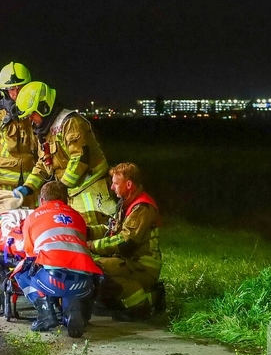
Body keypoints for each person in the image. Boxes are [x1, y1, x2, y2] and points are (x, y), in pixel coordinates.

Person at [12, 81, 114, 233]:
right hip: (72, 192)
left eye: (32, 113)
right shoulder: (45, 130)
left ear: (44, 107)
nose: (30, 119)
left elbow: (80, 159)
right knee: (76, 234)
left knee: (94, 235)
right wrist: (28, 187)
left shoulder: (70, 123)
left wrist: (61, 187)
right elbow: (43, 163)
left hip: (91, 191)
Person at [12, 181, 103, 338]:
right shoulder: (78, 216)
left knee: (22, 271)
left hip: (52, 279)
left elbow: (29, 253)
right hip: (84, 279)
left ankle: (45, 313)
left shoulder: (34, 216)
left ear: (42, 200)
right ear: (66, 200)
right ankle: (74, 311)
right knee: (71, 270)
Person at [87, 162, 164, 321]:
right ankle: (118, 302)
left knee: (97, 268)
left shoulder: (142, 207)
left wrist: (91, 246)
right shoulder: (126, 203)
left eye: (115, 183)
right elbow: (110, 228)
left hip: (143, 265)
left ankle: (140, 306)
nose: (112, 188)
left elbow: (125, 242)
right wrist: (85, 231)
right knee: (95, 267)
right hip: (132, 262)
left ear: (128, 184)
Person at [0, 62, 38, 206]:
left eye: (19, 88)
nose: (15, 94)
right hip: (2, 186)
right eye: (11, 89)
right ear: (4, 91)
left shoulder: (35, 111)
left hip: (30, 184)